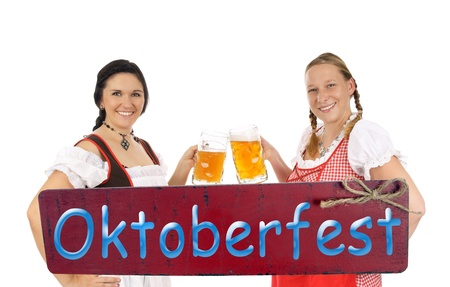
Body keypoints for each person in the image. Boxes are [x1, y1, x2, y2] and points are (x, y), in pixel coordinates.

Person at [27, 59, 197, 287]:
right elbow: (37, 211)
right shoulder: (91, 149)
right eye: (117, 93)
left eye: (135, 94)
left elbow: (159, 212)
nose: (127, 102)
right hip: (117, 278)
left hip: (153, 275)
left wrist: (183, 168)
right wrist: (71, 281)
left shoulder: (145, 148)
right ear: (101, 100)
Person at [261, 52, 426, 287]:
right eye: (313, 90)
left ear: (350, 86)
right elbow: (303, 197)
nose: (322, 97)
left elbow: (414, 207)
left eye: (330, 85)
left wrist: (374, 256)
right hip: (299, 268)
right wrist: (273, 158)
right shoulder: (311, 137)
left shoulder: (362, 136)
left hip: (343, 277)